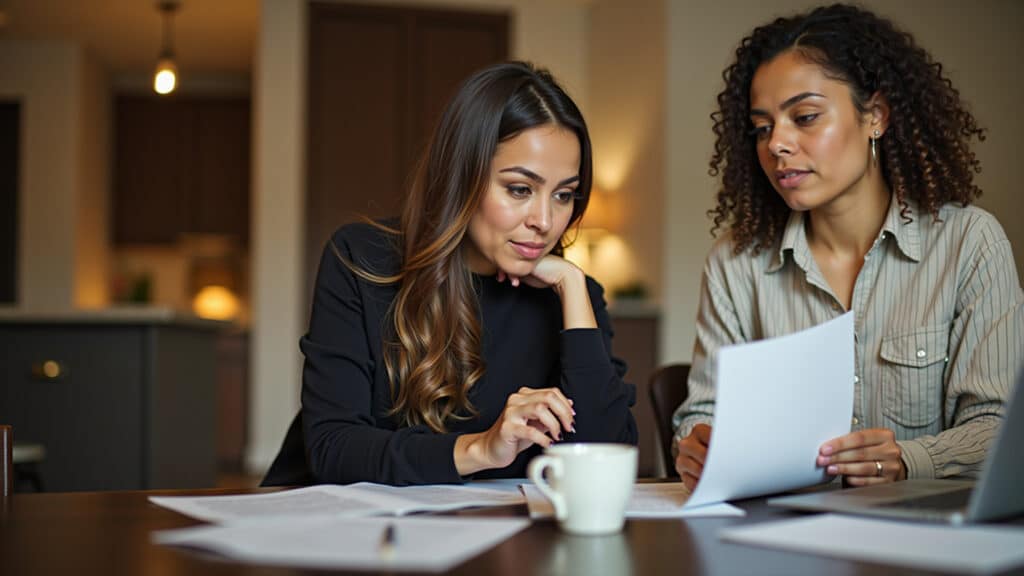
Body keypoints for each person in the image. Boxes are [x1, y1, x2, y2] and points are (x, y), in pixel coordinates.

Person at [673, 4, 1023, 490]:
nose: (777, 144)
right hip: (784, 539)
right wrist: (695, 443)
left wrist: (909, 458)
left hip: (927, 538)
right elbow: (703, 412)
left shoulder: (969, 244)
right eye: (762, 127)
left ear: (875, 116)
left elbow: (1000, 428)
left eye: (806, 116)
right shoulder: (736, 262)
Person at [263, 61, 637, 486]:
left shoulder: (573, 297)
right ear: (463, 176)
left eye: (564, 194)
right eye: (519, 189)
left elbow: (607, 459)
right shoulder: (361, 260)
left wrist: (572, 287)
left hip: (487, 538)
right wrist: (480, 448)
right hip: (332, 530)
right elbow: (334, 448)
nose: (545, 220)